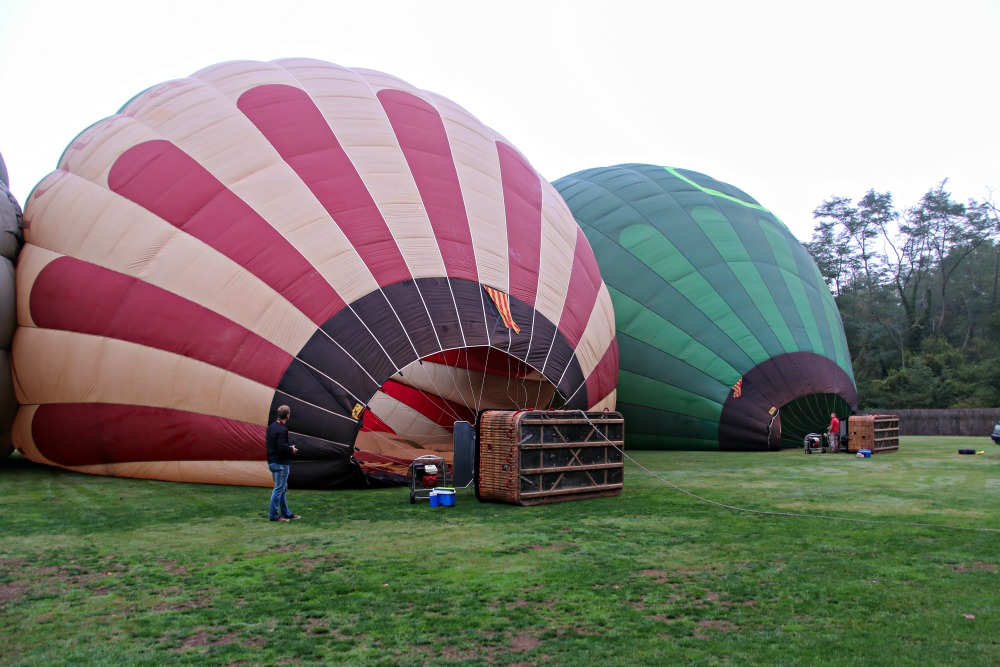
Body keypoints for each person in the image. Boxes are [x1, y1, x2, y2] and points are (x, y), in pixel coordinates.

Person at [266, 405, 300, 522]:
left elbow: (275, 445)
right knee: (279, 489)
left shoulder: (271, 427)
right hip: (281, 463)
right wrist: (291, 449)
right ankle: (274, 515)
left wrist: (288, 447)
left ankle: (286, 513)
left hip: (272, 462)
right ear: (287, 415)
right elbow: (281, 448)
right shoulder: (282, 430)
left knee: (282, 488)